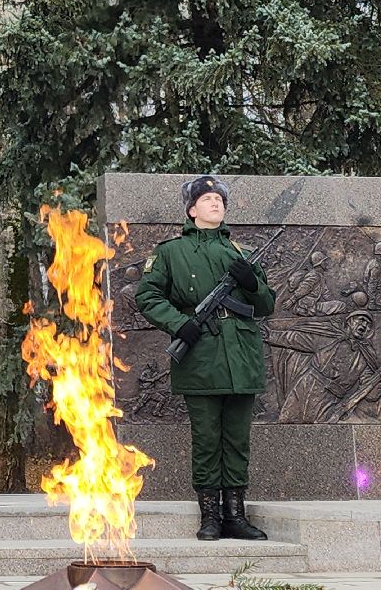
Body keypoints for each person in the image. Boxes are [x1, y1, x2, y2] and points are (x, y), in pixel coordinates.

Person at [135, 175, 275, 542]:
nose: (216, 203)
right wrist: (180, 324)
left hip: (241, 357)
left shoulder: (240, 253)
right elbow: (148, 297)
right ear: (191, 209)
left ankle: (235, 516)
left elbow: (265, 305)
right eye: (208, 198)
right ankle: (210, 516)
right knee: (208, 439)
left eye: (219, 199)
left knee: (237, 440)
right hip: (200, 356)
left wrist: (251, 282)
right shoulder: (170, 252)